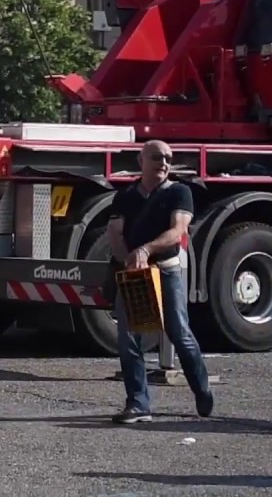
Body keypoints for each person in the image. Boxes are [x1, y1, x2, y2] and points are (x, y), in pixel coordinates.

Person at [107, 139, 214, 424]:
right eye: (157, 157)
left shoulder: (180, 192)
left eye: (168, 157)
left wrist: (145, 250)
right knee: (129, 338)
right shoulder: (126, 196)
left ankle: (201, 389)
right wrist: (127, 259)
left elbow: (177, 230)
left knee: (179, 332)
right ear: (141, 161)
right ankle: (138, 404)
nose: (164, 162)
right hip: (135, 274)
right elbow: (115, 232)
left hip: (166, 270)